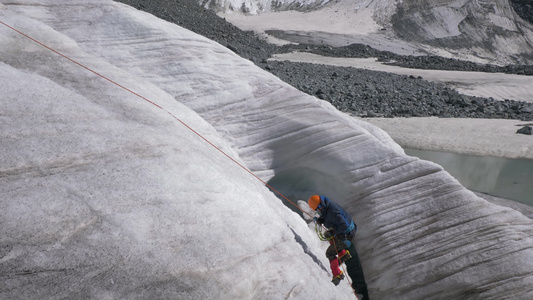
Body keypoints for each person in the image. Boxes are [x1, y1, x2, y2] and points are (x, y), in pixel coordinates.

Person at [308, 195, 370, 300]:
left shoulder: (333, 211)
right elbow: (327, 216)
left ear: (321, 204)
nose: (318, 210)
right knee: (328, 235)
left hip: (346, 235)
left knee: (330, 253)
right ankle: (343, 253)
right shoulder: (328, 206)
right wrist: (321, 220)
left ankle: (337, 274)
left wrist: (334, 231)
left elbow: (344, 226)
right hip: (345, 232)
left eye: (318, 208)